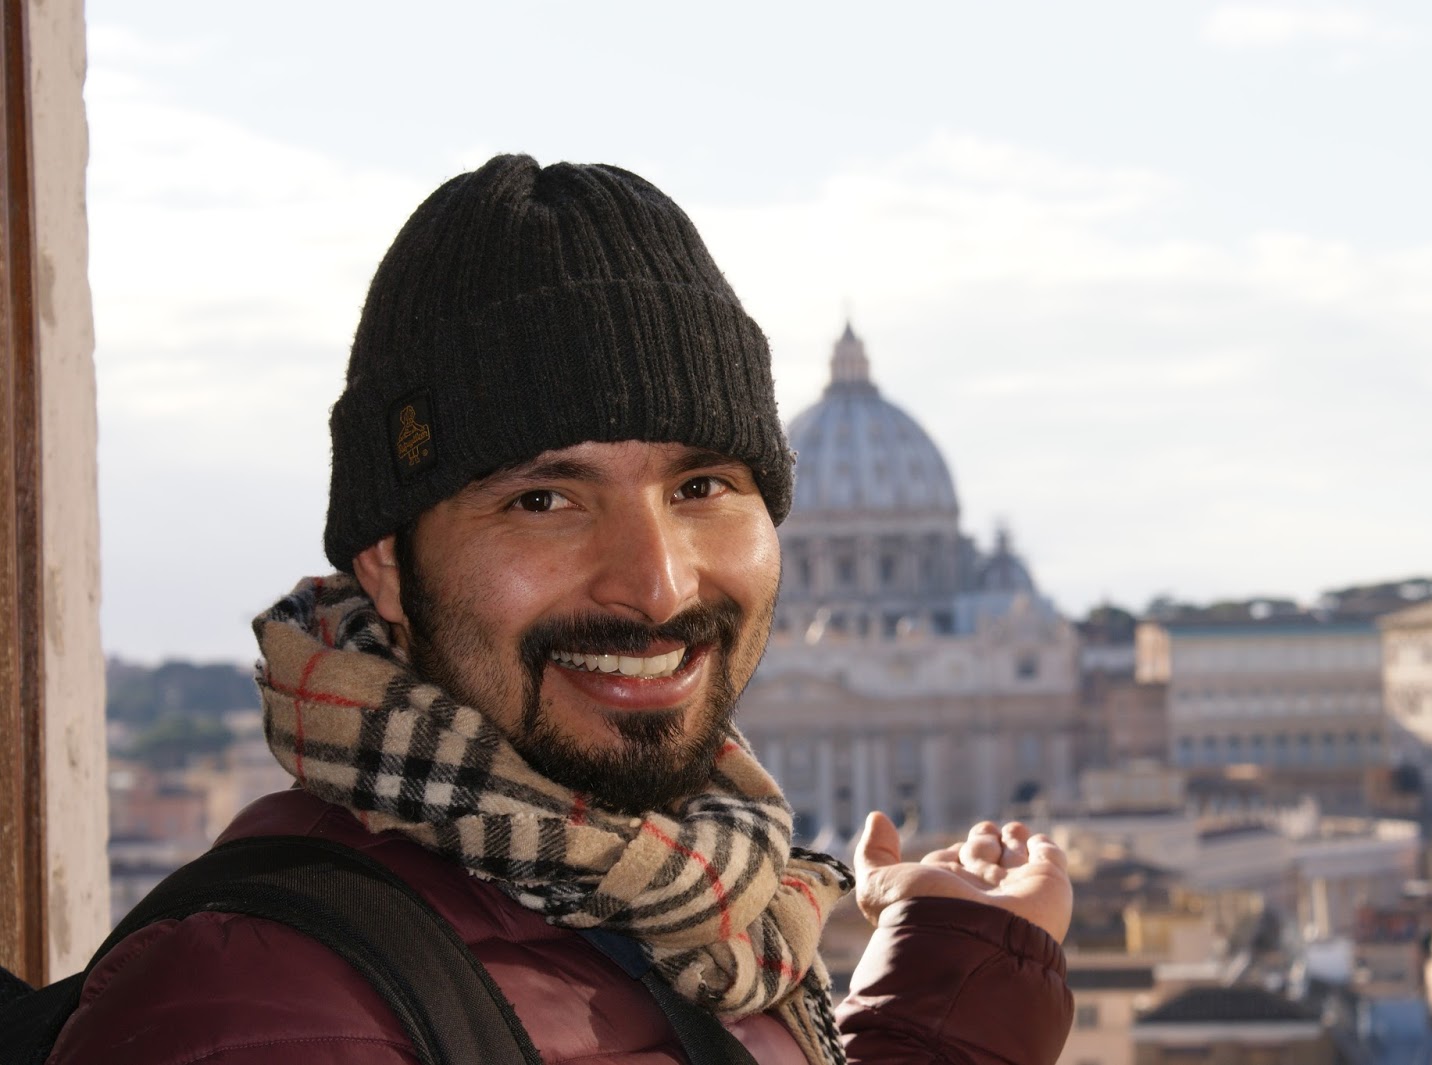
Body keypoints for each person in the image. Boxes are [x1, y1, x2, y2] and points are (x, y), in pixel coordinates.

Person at [51, 155, 1074, 1064]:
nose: (657, 586)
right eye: (543, 501)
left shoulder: (710, 891)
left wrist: (951, 981)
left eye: (701, 487)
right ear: (388, 565)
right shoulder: (256, 1013)